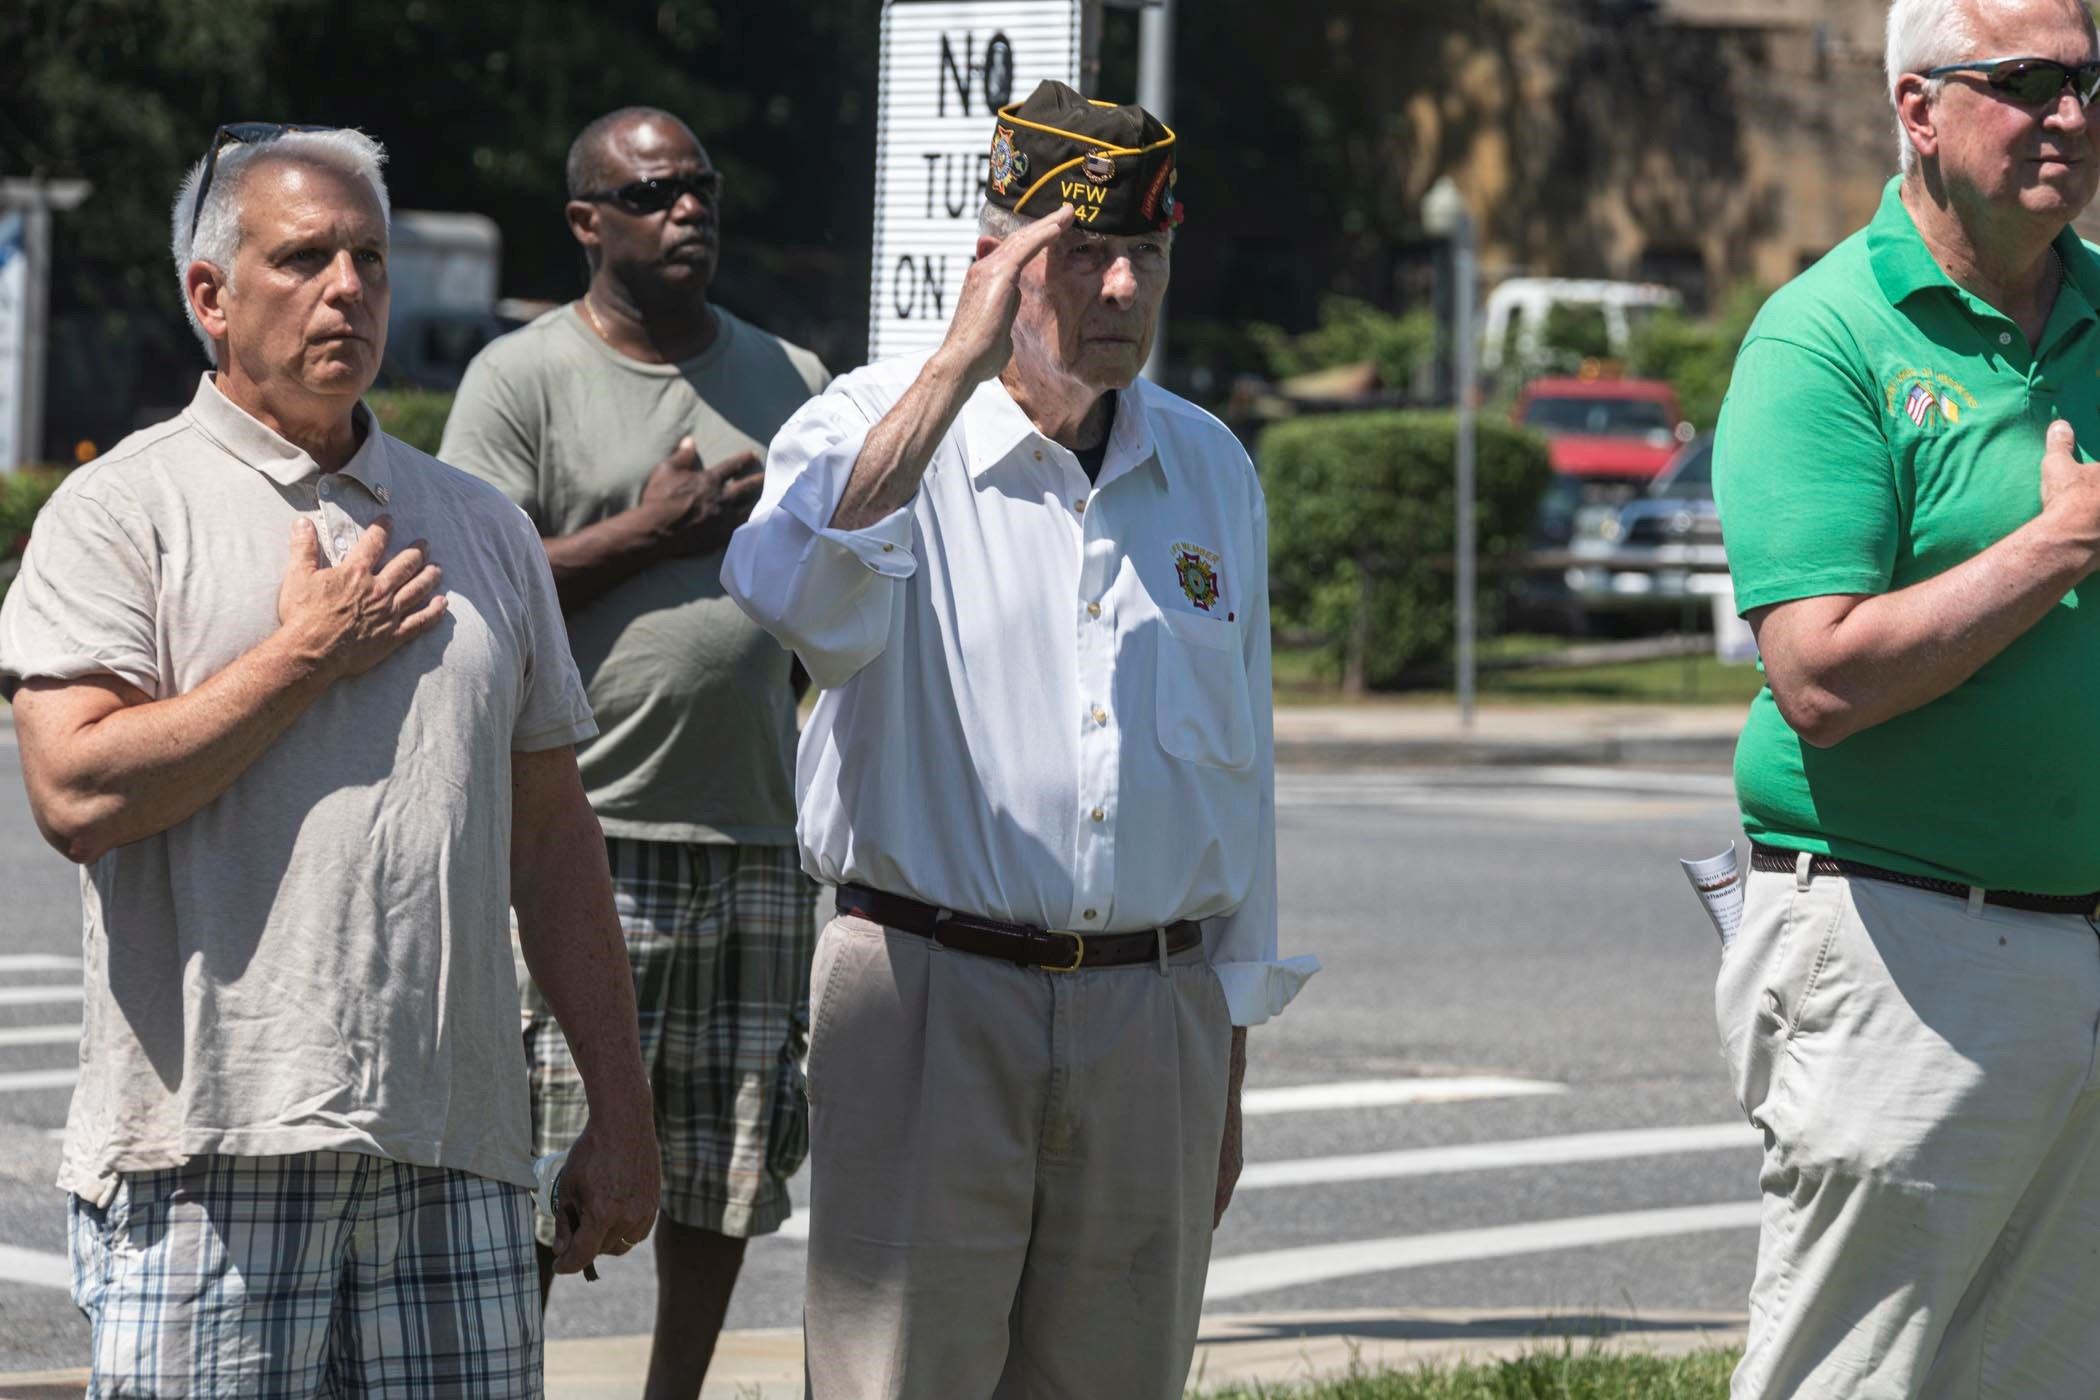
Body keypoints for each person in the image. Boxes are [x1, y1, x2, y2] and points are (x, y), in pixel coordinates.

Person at [0, 125, 659, 1394]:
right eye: (303, 257)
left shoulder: (480, 526)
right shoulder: (122, 509)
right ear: (210, 296)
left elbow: (551, 838)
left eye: (368, 257)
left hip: (453, 1156)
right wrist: (299, 658)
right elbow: (75, 792)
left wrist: (621, 1115)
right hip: (205, 1159)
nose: (346, 288)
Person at [724, 80, 1318, 1399]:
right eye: (1081, 255)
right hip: (932, 994)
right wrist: (949, 368)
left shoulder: (1210, 466)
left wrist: (1222, 1061)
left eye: (1146, 258)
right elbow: (794, 596)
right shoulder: (869, 426)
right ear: (994, 259)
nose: (1119, 292)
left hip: (1151, 1013)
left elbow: (1239, 784)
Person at [1710, 0, 2100, 1392]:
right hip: (1896, 944)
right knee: (1857, 1378)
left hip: (2078, 947)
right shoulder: (1822, 338)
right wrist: (2059, 545)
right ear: (1918, 111)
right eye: (2025, 82)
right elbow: (1816, 676)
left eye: (2086, 79)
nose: (2067, 112)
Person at [439, 106, 829, 1396]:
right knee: (559, 1156)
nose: (688, 211)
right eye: (653, 193)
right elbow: (465, 578)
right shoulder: (524, 375)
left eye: (701, 188)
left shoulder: (792, 375)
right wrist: (647, 532)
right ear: (587, 221)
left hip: (757, 831)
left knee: (728, 1160)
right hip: (587, 838)